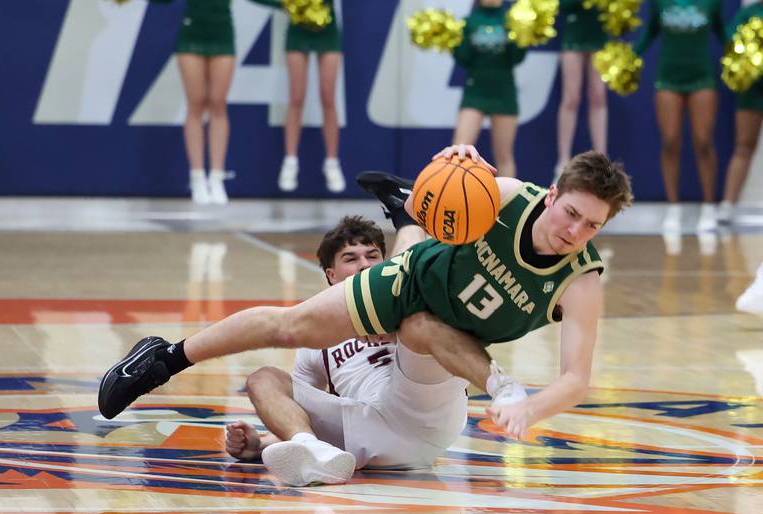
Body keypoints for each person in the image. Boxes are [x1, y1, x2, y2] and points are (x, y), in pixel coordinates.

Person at [98, 144, 633, 442]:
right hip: (408, 282)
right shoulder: (508, 196)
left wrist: (531, 409)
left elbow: (576, 378)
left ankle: (402, 212)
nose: (575, 232)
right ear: (552, 195)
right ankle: (162, 359)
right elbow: (448, 195)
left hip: (450, 334)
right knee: (290, 325)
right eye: (571, 213)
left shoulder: (580, 280)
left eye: (592, 226)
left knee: (425, 329)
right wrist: (450, 164)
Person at [224, 216, 523, 486]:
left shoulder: (403, 301)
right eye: (351, 258)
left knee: (422, 316)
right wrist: (262, 444)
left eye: (372, 256)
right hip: (369, 431)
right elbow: (300, 412)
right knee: (263, 379)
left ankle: (501, 386)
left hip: (424, 409)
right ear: (331, 274)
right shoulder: (315, 338)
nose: (365, 265)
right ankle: (313, 452)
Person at [633, 0, 724, 232]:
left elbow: (723, 34)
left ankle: (709, 206)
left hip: (702, 78)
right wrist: (628, 56)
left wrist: (745, 55)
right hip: (668, 79)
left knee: (704, 142)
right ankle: (673, 208)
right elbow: (650, 33)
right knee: (670, 141)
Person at [250, 0, 345, 193]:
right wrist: (286, 4)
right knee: (296, 98)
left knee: (328, 97)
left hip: (328, 27)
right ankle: (291, 161)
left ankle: (332, 162)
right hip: (297, 27)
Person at [150, 0, 236, 205]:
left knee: (218, 104)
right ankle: (197, 177)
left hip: (223, 34)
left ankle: (216, 177)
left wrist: (285, 4)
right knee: (195, 103)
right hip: (192, 34)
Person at [452, 0, 526, 177]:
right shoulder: (469, 22)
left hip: (504, 92)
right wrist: (453, 42)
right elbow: (464, 59)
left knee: (504, 156)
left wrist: (522, 35)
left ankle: (508, 203)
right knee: (458, 152)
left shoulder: (512, 20)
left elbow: (517, 58)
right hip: (475, 92)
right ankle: (452, 199)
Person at [719, 0, 763, 225]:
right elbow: (729, 40)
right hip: (752, 90)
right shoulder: (749, 13)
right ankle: (728, 204)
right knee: (744, 145)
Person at [555, 0, 609, 182]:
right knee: (571, 97)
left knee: (598, 96)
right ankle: (562, 161)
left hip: (599, 35)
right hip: (573, 35)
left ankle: (602, 160)